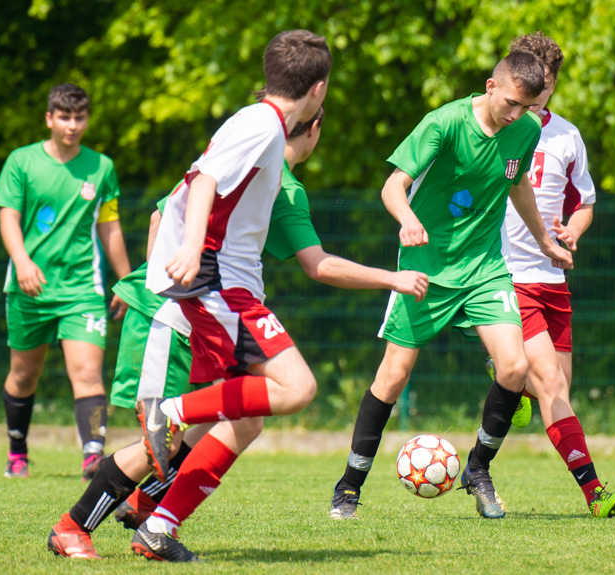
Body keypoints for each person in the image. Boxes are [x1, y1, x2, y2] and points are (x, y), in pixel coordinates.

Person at [46, 103, 427, 559]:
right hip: (183, 319)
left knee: (244, 422)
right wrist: (393, 278)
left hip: (201, 314)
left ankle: (155, 519)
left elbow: (159, 215)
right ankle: (75, 525)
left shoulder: (239, 160)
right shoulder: (280, 185)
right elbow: (318, 264)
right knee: (164, 439)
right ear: (314, 127)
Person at [329, 49, 572, 521]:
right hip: (426, 269)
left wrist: (544, 240)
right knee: (393, 375)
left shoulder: (524, 130)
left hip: (484, 268)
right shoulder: (444, 123)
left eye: (527, 107)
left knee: (514, 367)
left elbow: (517, 183)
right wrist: (407, 220)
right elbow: (392, 186)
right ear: (490, 87)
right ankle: (349, 486)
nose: (517, 116)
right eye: (511, 105)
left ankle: (477, 469)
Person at [125, 29, 335, 562]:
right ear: (319, 88)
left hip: (224, 277)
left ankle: (157, 527)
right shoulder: (261, 124)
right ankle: (169, 411)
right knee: (298, 388)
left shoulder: (264, 124)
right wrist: (193, 248)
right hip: (217, 278)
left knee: (247, 418)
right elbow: (204, 179)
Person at [497, 32, 615, 518]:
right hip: (507, 276)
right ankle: (595, 491)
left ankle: (513, 383)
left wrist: (571, 231)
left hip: (552, 279)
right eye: (535, 82)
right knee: (552, 384)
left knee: (557, 390)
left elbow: (585, 202)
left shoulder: (567, 136)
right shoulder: (498, 127)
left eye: (548, 85)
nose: (540, 92)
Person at [0, 83, 131, 481]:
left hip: (82, 289)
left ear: (87, 120)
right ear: (49, 119)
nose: (72, 125)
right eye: (65, 117)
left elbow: (109, 226)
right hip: (29, 286)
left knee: (87, 371)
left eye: (80, 117)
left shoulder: (101, 167)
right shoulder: (22, 162)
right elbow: (8, 217)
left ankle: (93, 456)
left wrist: (125, 280)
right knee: (24, 374)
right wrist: (21, 262)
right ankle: (17, 451)